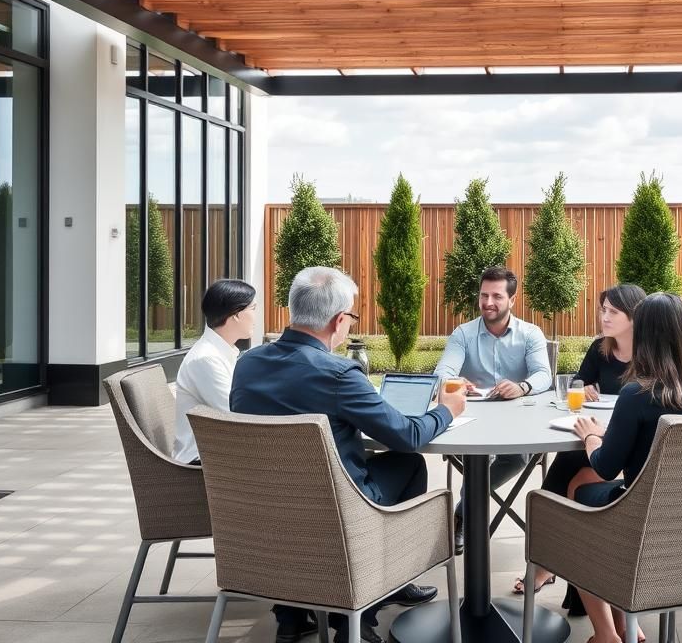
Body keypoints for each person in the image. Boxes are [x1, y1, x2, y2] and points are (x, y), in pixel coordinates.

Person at [231, 266, 466, 643]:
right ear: (339, 321)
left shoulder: (247, 364)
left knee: (304, 484)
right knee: (407, 463)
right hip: (336, 513)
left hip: (265, 510)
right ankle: (361, 616)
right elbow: (407, 435)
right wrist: (447, 409)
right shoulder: (339, 374)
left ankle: (290, 618)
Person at [568, 292, 682, 643]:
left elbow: (607, 467)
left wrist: (591, 436)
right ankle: (629, 625)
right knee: (584, 480)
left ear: (645, 336)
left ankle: (607, 634)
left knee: (576, 496)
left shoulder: (638, 393)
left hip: (644, 515)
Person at [513, 283, 645, 596]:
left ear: (634, 316)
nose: (605, 316)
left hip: (629, 446)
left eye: (613, 311)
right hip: (598, 431)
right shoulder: (601, 348)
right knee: (569, 460)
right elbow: (577, 380)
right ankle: (547, 562)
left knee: (569, 470)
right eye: (604, 309)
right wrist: (583, 387)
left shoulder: (650, 355)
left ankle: (547, 564)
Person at [433, 265, 552, 553]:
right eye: (484, 295)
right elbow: (442, 371)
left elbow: (543, 375)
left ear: (512, 299)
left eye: (497, 296)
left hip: (517, 420)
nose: (488, 303)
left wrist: (522, 387)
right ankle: (467, 512)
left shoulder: (530, 334)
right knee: (476, 460)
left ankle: (462, 512)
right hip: (472, 420)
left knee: (518, 458)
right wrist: (453, 380)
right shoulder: (463, 333)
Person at [172, 278, 257, 464]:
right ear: (236, 314)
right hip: (202, 460)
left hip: (218, 451)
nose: (255, 317)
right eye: (253, 309)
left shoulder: (219, 352)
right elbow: (235, 414)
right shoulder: (206, 359)